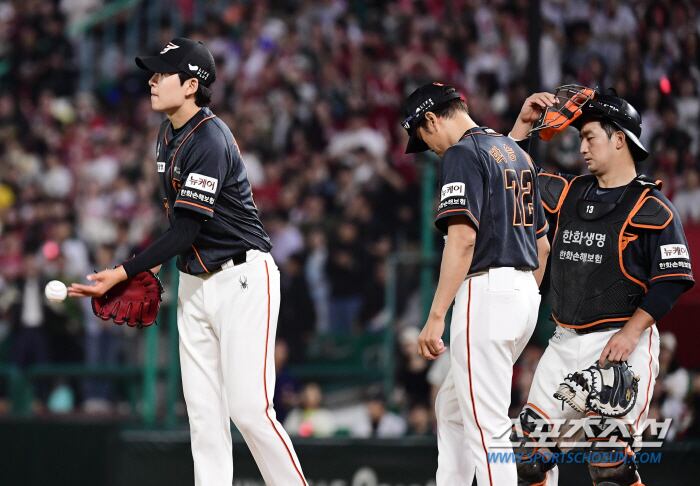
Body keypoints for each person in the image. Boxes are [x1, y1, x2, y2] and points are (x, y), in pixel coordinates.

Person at [68, 38, 307, 486]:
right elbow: (179, 224)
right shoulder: (167, 134)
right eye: (152, 73)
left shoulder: (211, 138)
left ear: (192, 84)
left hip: (242, 279)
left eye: (163, 74)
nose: (152, 81)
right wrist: (150, 266)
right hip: (195, 284)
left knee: (250, 411)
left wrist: (124, 270)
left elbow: (187, 231)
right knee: (203, 417)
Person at [509, 86, 695, 486]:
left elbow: (672, 280)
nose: (582, 147)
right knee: (526, 458)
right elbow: (515, 177)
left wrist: (631, 333)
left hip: (619, 344)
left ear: (619, 140)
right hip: (564, 342)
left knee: (609, 463)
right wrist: (522, 126)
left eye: (589, 137)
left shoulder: (653, 207)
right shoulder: (569, 192)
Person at [401, 82, 550, 485]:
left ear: (431, 120)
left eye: (423, 137)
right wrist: (522, 293)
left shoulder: (461, 153)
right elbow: (542, 245)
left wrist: (436, 316)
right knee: (451, 409)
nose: (429, 147)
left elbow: (463, 240)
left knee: (488, 429)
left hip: (488, 294)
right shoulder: (515, 152)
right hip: (524, 293)